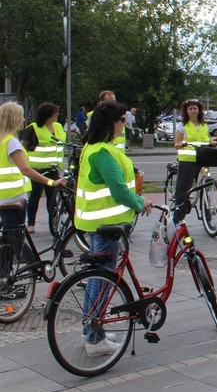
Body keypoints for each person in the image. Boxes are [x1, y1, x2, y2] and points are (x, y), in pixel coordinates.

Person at [74, 100, 152, 356]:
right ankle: (95, 338)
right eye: (122, 120)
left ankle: (91, 332)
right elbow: (118, 190)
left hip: (95, 223)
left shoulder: (94, 146)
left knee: (97, 278)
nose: (124, 124)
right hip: (105, 225)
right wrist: (140, 203)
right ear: (112, 123)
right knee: (102, 282)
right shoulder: (103, 153)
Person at [0, 103, 67, 267]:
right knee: (13, 240)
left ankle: (7, 276)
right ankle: (6, 279)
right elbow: (26, 170)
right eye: (21, 116)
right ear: (14, 118)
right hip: (14, 197)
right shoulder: (11, 142)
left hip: (3, 197)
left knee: (7, 239)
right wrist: (52, 182)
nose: (23, 119)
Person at [20, 102, 66, 234]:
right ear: (47, 115)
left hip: (52, 169)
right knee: (35, 196)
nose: (57, 114)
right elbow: (22, 147)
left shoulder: (58, 127)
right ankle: (31, 223)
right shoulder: (33, 128)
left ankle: (54, 223)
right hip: (36, 169)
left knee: (52, 198)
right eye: (55, 112)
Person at [173, 99, 210, 224]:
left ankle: (207, 216)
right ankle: (177, 219)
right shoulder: (182, 125)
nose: (193, 110)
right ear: (186, 111)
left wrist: (215, 141)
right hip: (187, 161)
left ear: (199, 110)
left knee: (205, 188)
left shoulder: (204, 125)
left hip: (203, 160)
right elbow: (177, 143)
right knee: (183, 191)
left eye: (195, 108)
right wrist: (179, 143)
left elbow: (208, 140)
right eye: (190, 109)